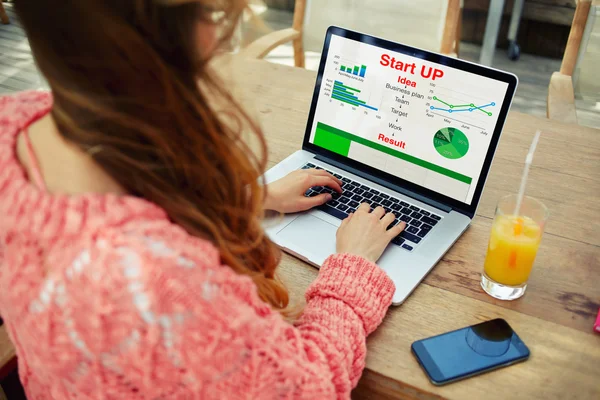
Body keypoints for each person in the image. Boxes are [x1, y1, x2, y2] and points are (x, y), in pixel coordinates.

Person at [0, 1, 406, 398]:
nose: (218, 35)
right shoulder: (160, 280)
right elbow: (311, 386)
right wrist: (353, 267)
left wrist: (249, 199)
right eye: (211, 13)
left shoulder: (14, 123)